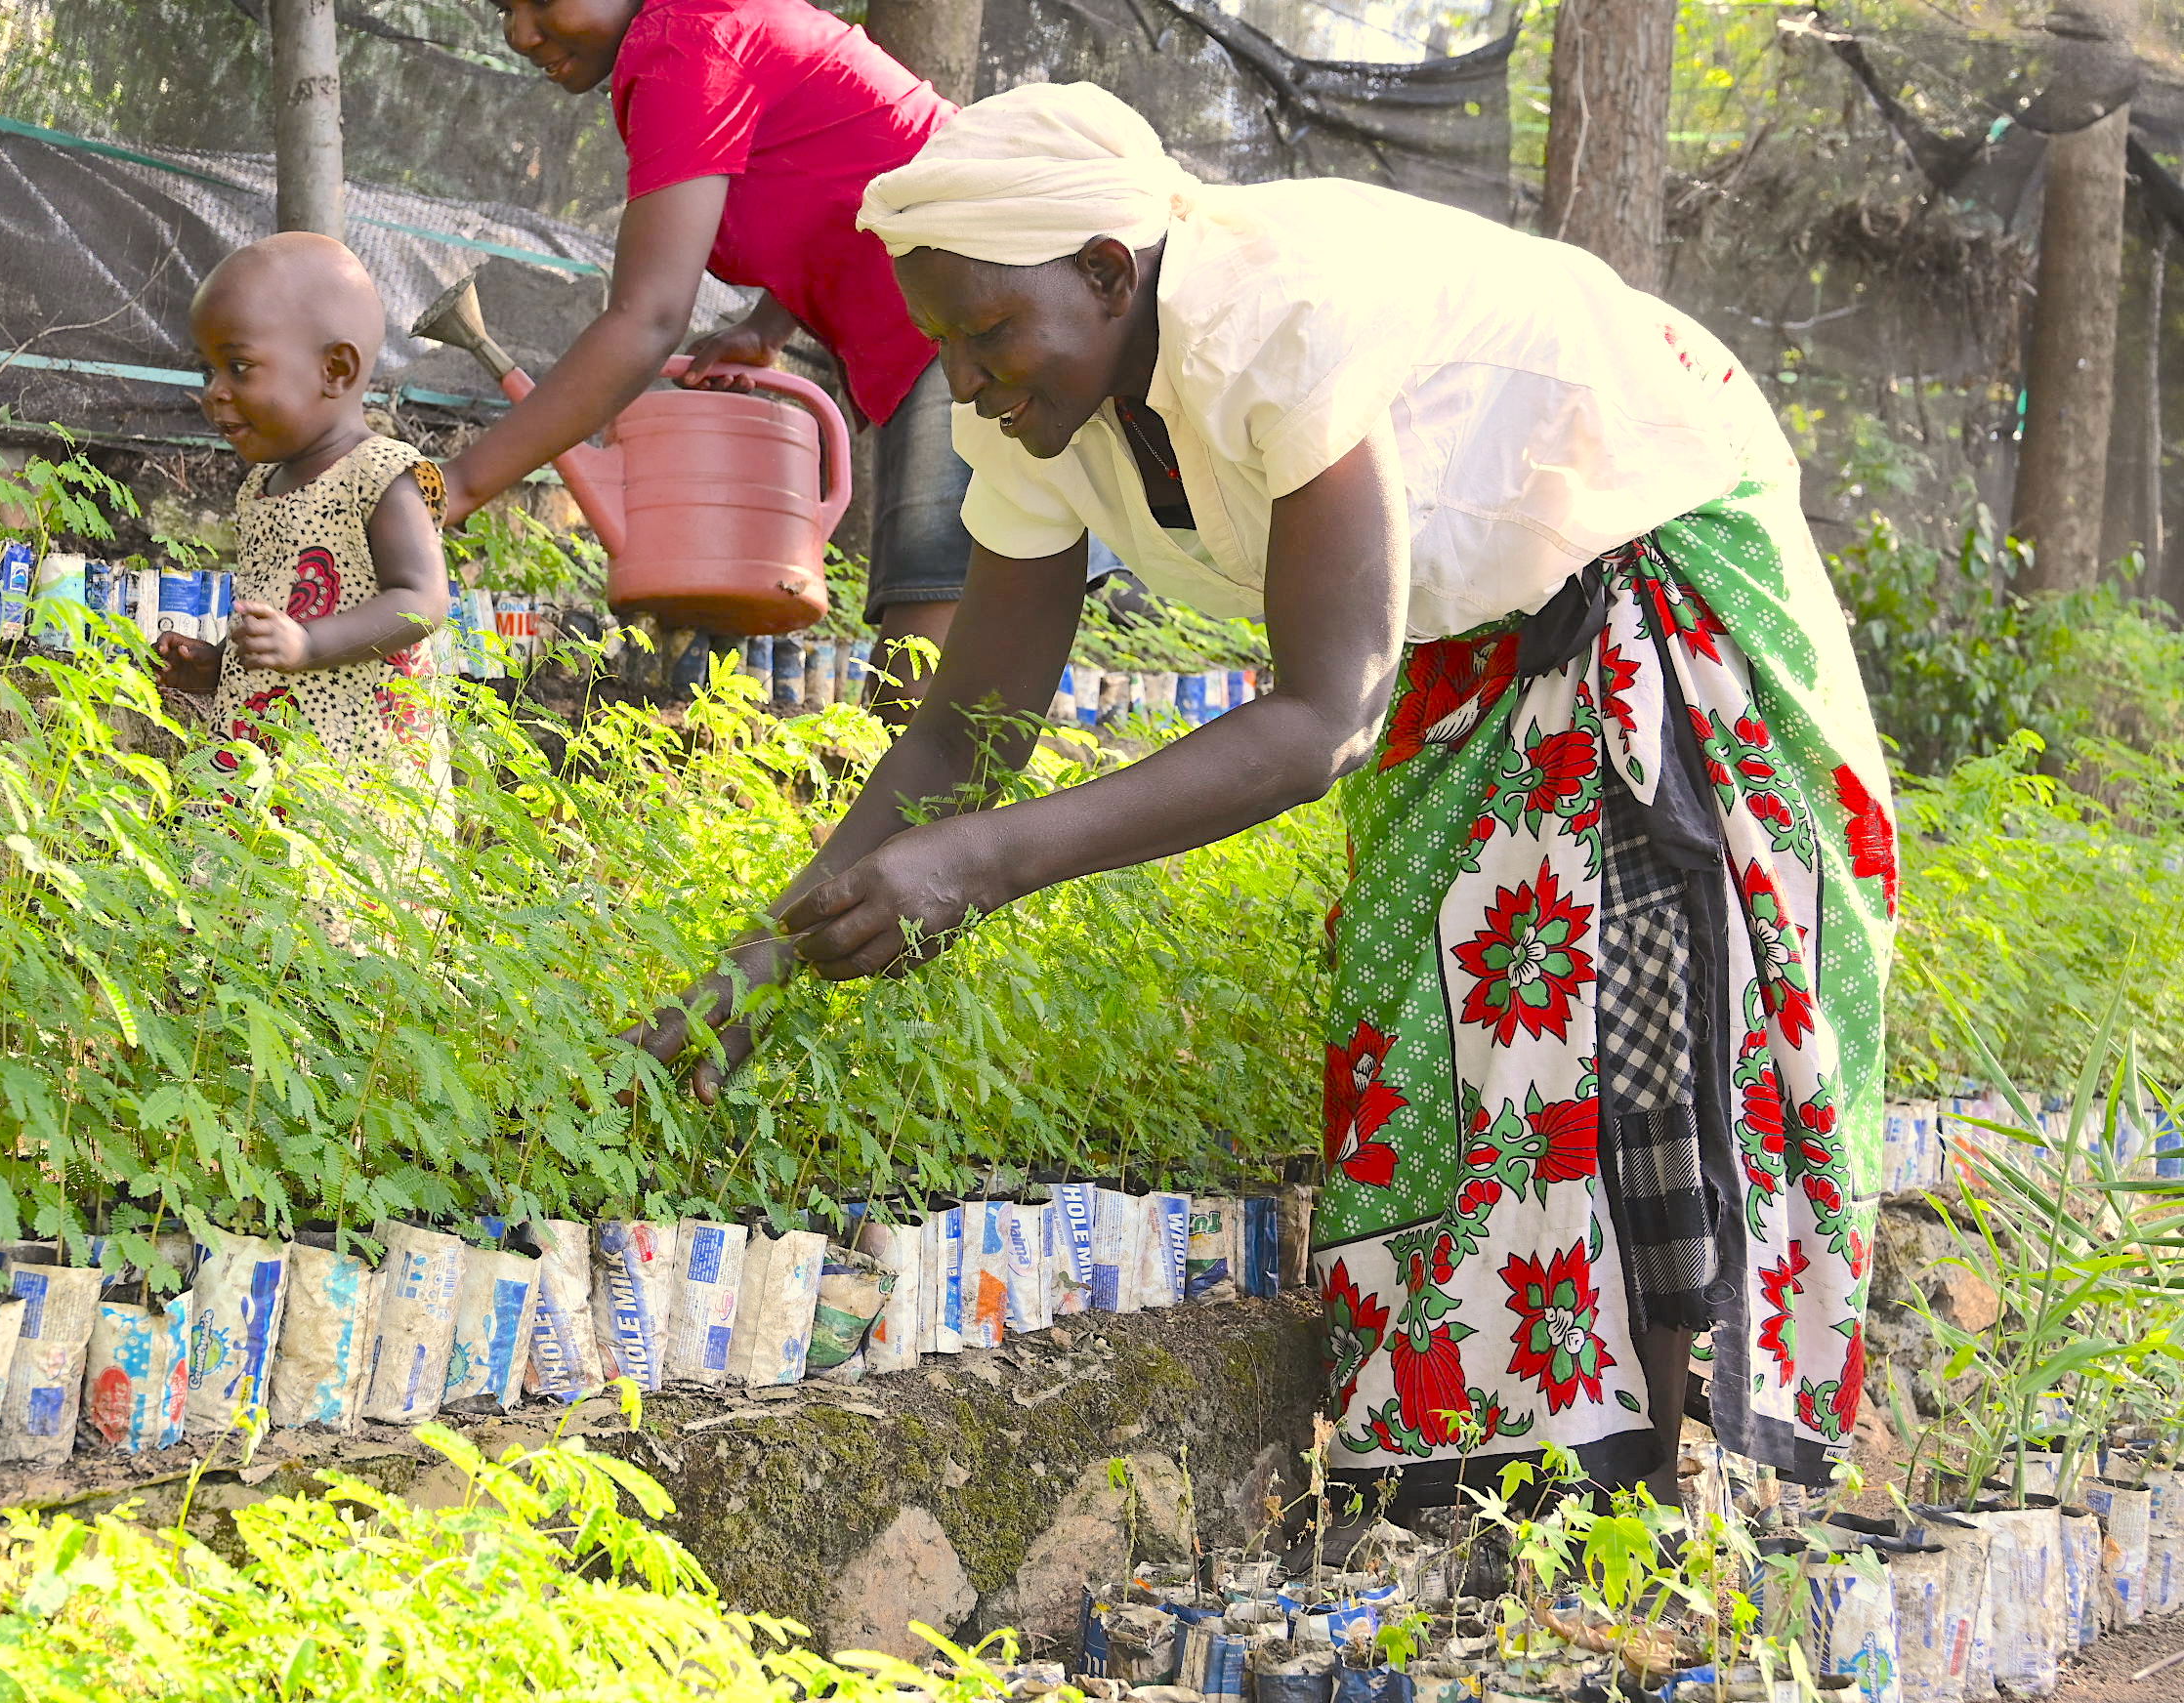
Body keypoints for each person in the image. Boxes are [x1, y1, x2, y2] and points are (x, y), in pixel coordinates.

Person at [631, 83, 1895, 1515]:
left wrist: (985, 868)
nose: (968, 381)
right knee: (1429, 1019)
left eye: (988, 336)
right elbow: (963, 740)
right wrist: (762, 961)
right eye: (944, 344)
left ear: (1110, 272)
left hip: (1646, 559)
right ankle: (1513, 1499)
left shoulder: (1271, 320)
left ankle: (1667, 1506)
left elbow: (1321, 717)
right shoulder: (1040, 414)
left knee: (1625, 1016)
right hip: (1474, 630)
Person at [441, 0, 962, 715]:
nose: (518, 33)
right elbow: (844, 176)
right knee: (959, 654)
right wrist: (769, 323)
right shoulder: (696, 30)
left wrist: (455, 484)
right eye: (503, 7)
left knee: (924, 675)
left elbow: (646, 320)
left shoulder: (689, 47)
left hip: (983, 303)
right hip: (956, 309)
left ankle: (914, 848)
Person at [155, 233, 450, 817]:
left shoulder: (381, 473)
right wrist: (221, 661)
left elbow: (423, 599)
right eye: (207, 369)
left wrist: (308, 645)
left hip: (356, 770)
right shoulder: (259, 485)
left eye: (238, 367)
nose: (214, 392)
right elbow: (285, 604)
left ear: (334, 370)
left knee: (331, 899)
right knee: (244, 893)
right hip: (264, 759)